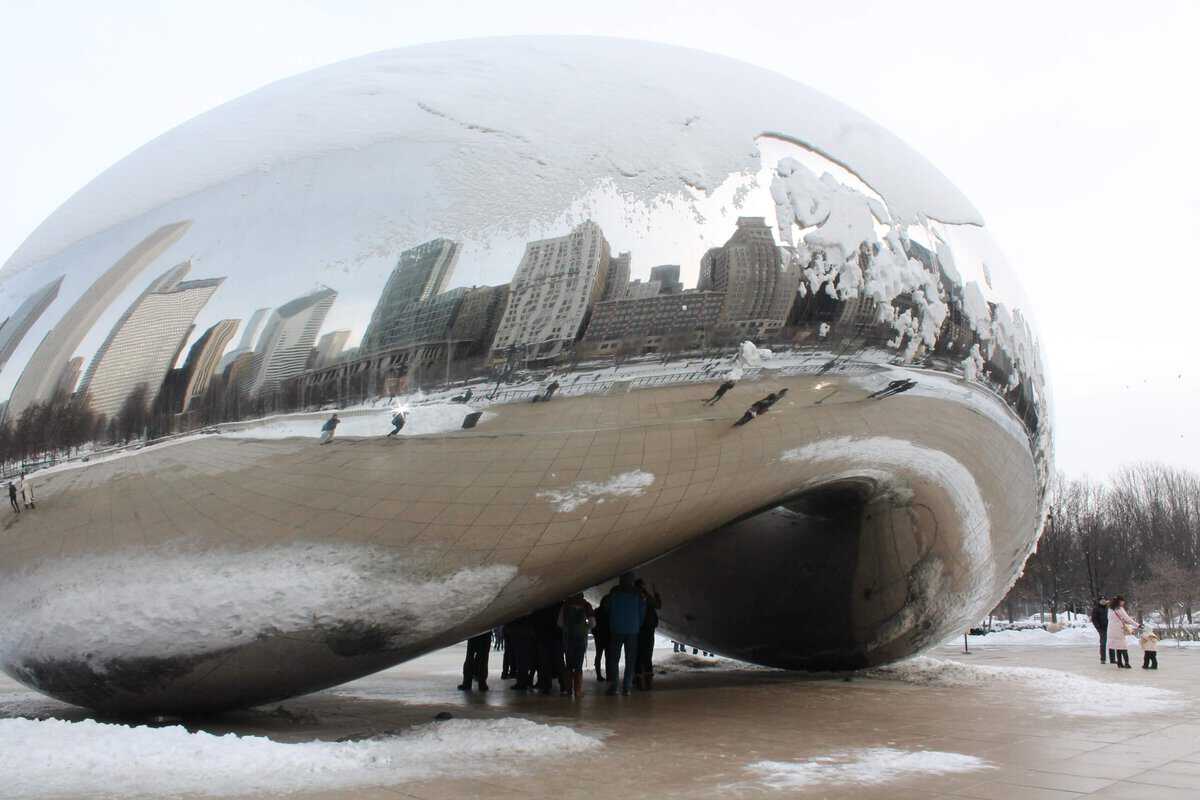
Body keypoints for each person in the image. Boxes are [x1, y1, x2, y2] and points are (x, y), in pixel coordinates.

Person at [606, 574, 646, 695]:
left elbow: (608, 609)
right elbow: (642, 611)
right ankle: (627, 687)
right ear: (632, 580)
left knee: (614, 659)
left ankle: (614, 687)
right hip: (633, 630)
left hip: (616, 629)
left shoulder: (614, 592)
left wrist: (612, 623)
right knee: (630, 660)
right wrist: (637, 624)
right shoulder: (637, 593)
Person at [559, 593, 596, 698]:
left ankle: (568, 690)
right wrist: (585, 628)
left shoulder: (566, 605)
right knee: (578, 666)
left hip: (568, 638)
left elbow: (560, 623)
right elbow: (593, 623)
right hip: (581, 639)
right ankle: (578, 692)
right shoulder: (586, 605)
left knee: (569, 665)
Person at [533, 602, 567, 695]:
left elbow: (535, 622)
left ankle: (546, 686)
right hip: (556, 638)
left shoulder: (540, 606)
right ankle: (564, 686)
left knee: (545, 664)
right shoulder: (559, 605)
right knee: (559, 663)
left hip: (544, 639)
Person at [634, 579, 662, 690]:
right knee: (647, 655)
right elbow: (658, 605)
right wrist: (656, 594)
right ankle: (648, 682)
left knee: (637, 655)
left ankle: (638, 680)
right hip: (648, 629)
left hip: (637, 629)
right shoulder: (646, 596)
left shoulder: (633, 596)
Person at [1106, 595, 1137, 669]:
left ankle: (1119, 663)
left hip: (1111, 630)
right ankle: (1127, 663)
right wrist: (1137, 625)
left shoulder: (1110, 609)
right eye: (1123, 601)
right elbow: (1128, 619)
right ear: (1119, 601)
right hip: (1118, 630)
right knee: (1123, 647)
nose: (1124, 602)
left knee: (1118, 647)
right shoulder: (1119, 609)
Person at [593, 592, 611, 681]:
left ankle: (599, 675)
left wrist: (595, 633)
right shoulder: (610, 612)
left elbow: (593, 625)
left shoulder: (597, 611)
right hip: (607, 637)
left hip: (599, 637)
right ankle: (607, 675)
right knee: (607, 657)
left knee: (599, 656)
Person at [1091, 597, 1110, 664]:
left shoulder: (1108, 608)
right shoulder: (1096, 609)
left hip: (1109, 627)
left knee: (1111, 643)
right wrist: (1098, 627)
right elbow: (1094, 619)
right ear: (1099, 601)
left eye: (1104, 600)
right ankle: (1103, 659)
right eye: (1101, 601)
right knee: (1103, 643)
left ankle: (1112, 659)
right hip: (1102, 628)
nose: (1103, 602)